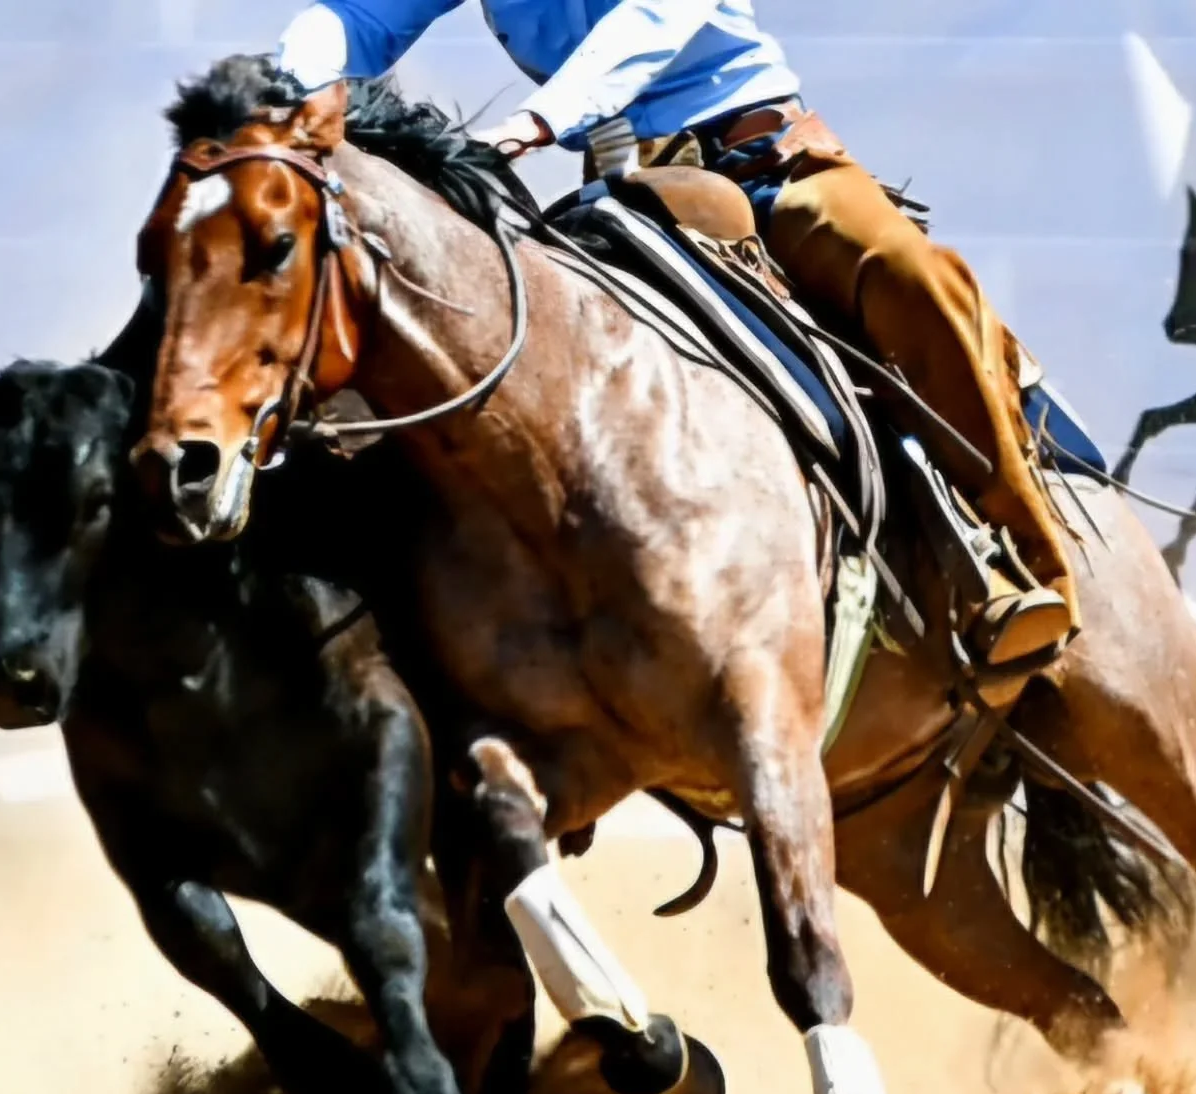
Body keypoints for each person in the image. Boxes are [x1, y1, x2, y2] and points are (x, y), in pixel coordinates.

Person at [275, 0, 1077, 669]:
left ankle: (1019, 563)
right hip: (629, 194)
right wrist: (278, 91)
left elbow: (654, 14)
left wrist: (535, 122)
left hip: (762, 166)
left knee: (912, 276)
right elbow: (361, 14)